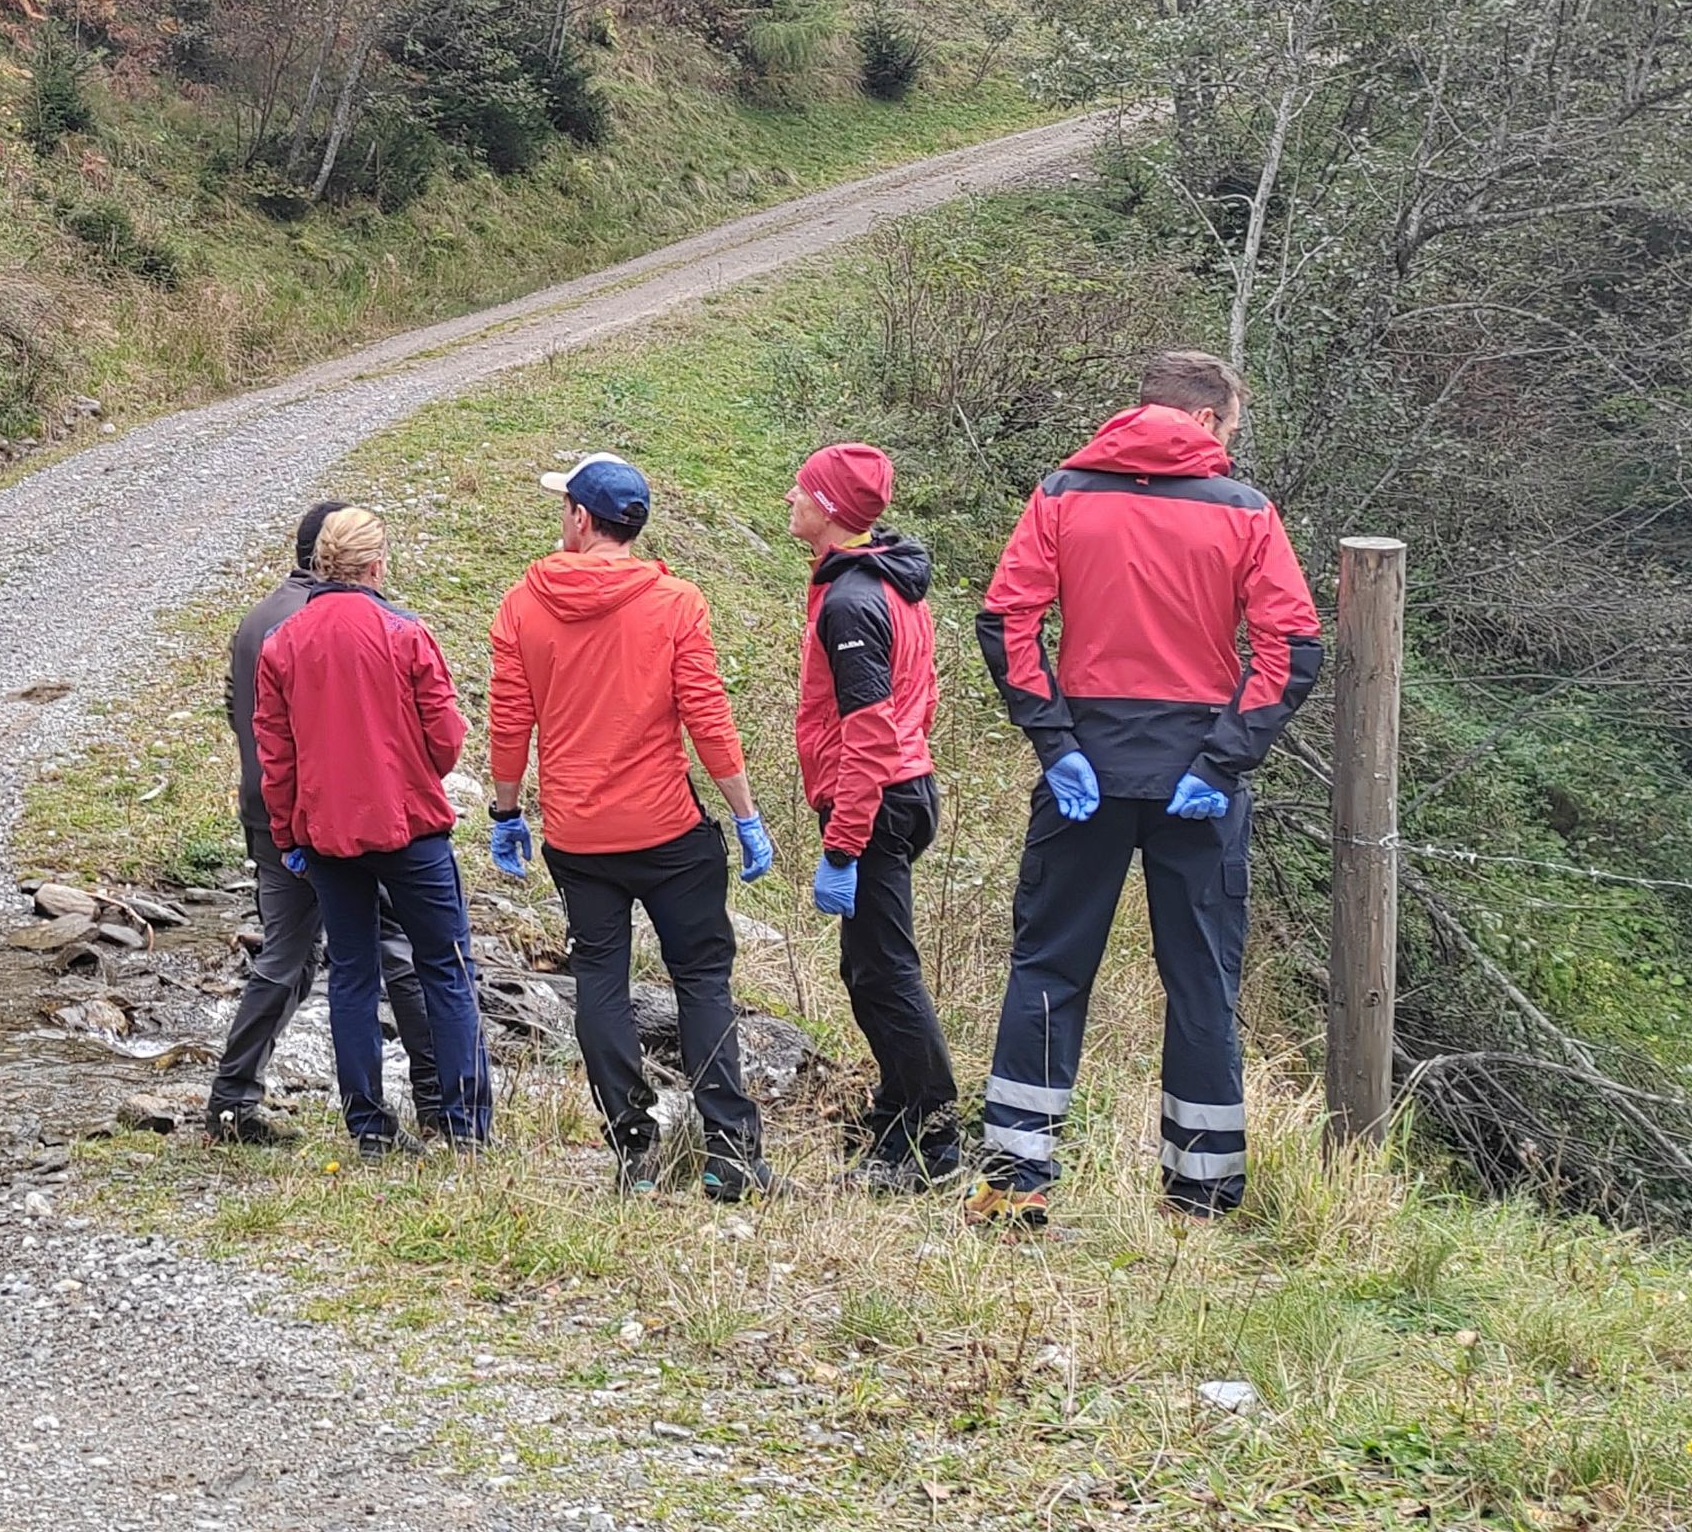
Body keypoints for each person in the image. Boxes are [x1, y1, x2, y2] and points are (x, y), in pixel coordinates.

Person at [974, 349, 1325, 1224]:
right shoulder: (1244, 511)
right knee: (1201, 980)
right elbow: (1291, 649)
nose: (1229, 444)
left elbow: (1009, 620)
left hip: (1085, 768)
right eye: (1230, 427)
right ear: (1204, 419)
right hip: (1196, 774)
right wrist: (1223, 761)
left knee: (1049, 966)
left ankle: (1015, 1179)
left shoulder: (1063, 494)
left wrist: (1054, 740)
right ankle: (1201, 1194)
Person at [482, 454, 778, 1199]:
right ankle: (730, 1156)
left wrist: (507, 811)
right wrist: (745, 814)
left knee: (600, 983)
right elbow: (707, 716)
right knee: (702, 981)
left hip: (578, 837)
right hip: (669, 829)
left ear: (581, 518)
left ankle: (635, 1151)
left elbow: (510, 721)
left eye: (565, 507)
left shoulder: (522, 605)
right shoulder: (676, 603)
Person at [250, 505, 493, 1152]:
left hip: (326, 835)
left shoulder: (282, 643)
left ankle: (368, 1128)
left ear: (320, 563)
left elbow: (277, 757)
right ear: (377, 565)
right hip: (409, 826)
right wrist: (411, 767)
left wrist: (289, 836)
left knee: (352, 976)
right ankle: (465, 1126)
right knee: (446, 968)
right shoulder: (406, 633)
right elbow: (446, 740)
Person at [204, 501, 438, 1146]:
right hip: (339, 815)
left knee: (287, 955)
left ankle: (231, 1099)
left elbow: (238, 708)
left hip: (268, 810)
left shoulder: (257, 619)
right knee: (395, 947)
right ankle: (436, 1099)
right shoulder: (337, 621)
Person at [787, 441, 960, 1190]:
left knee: (885, 973)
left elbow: (869, 730)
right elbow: (923, 694)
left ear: (828, 509)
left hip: (878, 800)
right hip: (903, 787)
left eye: (802, 490)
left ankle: (929, 1138)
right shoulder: (890, 580)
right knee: (866, 968)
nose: (790, 499)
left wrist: (843, 845)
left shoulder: (852, 602)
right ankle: (896, 1109)